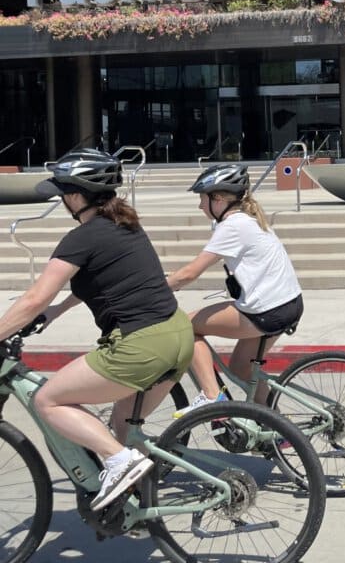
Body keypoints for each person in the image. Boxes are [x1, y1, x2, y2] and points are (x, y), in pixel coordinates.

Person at [0, 149, 193, 511]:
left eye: (62, 193)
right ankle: (138, 508)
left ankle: (121, 463)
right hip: (176, 335)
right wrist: (56, 312)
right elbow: (102, 279)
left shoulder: (82, 237)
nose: (61, 201)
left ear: (76, 196)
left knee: (48, 400)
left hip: (141, 345)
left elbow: (33, 298)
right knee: (122, 424)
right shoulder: (124, 224)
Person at [166, 164, 303, 415]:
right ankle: (276, 425)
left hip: (266, 311)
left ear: (218, 199)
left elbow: (191, 273)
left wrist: (157, 289)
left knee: (184, 327)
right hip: (287, 305)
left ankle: (212, 396)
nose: (199, 206)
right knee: (241, 368)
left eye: (202, 198)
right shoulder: (247, 220)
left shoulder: (233, 225)